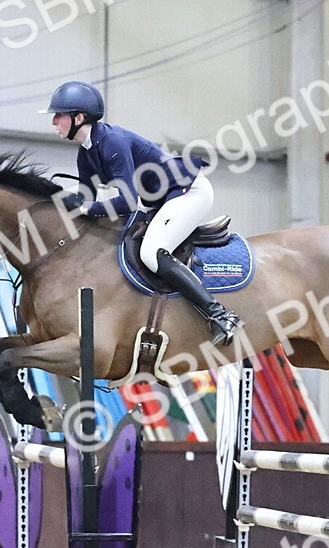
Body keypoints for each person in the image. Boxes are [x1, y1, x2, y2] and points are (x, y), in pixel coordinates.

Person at [43, 80, 242, 347]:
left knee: (152, 252)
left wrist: (83, 207)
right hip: (158, 200)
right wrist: (56, 204)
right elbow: (85, 198)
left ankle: (220, 316)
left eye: (59, 115)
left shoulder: (112, 142)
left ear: (79, 118)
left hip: (188, 191)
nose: (54, 121)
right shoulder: (86, 153)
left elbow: (126, 202)